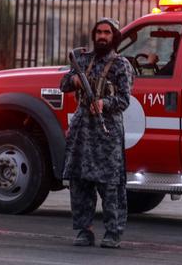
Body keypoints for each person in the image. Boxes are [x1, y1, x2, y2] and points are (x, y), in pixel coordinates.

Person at [60, 18, 134, 249]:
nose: (102, 37)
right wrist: (74, 79)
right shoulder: (82, 60)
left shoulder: (122, 65)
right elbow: (63, 84)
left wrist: (104, 103)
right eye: (99, 32)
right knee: (79, 182)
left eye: (107, 33)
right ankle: (84, 230)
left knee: (110, 184)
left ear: (114, 37)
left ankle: (113, 232)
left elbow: (124, 99)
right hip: (82, 130)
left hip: (107, 130)